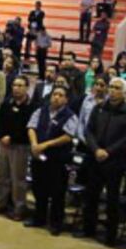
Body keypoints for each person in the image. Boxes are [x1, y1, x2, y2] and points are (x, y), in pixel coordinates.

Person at [78, 77, 126, 246]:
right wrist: (96, 149)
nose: (112, 90)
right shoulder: (99, 107)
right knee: (91, 195)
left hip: (115, 161)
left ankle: (110, 237)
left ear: (125, 92)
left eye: (117, 88)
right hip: (95, 157)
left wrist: (108, 152)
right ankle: (88, 229)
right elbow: (88, 130)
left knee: (112, 199)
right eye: (111, 87)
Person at [26, 86, 77, 235]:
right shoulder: (40, 111)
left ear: (66, 99)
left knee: (57, 192)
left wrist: (46, 145)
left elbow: (68, 136)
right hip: (39, 157)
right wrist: (35, 144)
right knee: (38, 188)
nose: (56, 97)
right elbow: (31, 127)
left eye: (61, 95)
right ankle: (38, 218)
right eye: (55, 94)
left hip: (57, 159)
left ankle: (55, 223)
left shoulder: (70, 116)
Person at [0, 76, 34, 220]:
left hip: (20, 146)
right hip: (3, 144)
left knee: (18, 179)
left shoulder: (31, 106)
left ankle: (19, 208)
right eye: (15, 85)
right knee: (2, 176)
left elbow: (28, 128)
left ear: (27, 87)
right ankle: (1, 204)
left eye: (20, 85)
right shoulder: (7, 103)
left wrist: (13, 138)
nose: (16, 88)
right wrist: (1, 136)